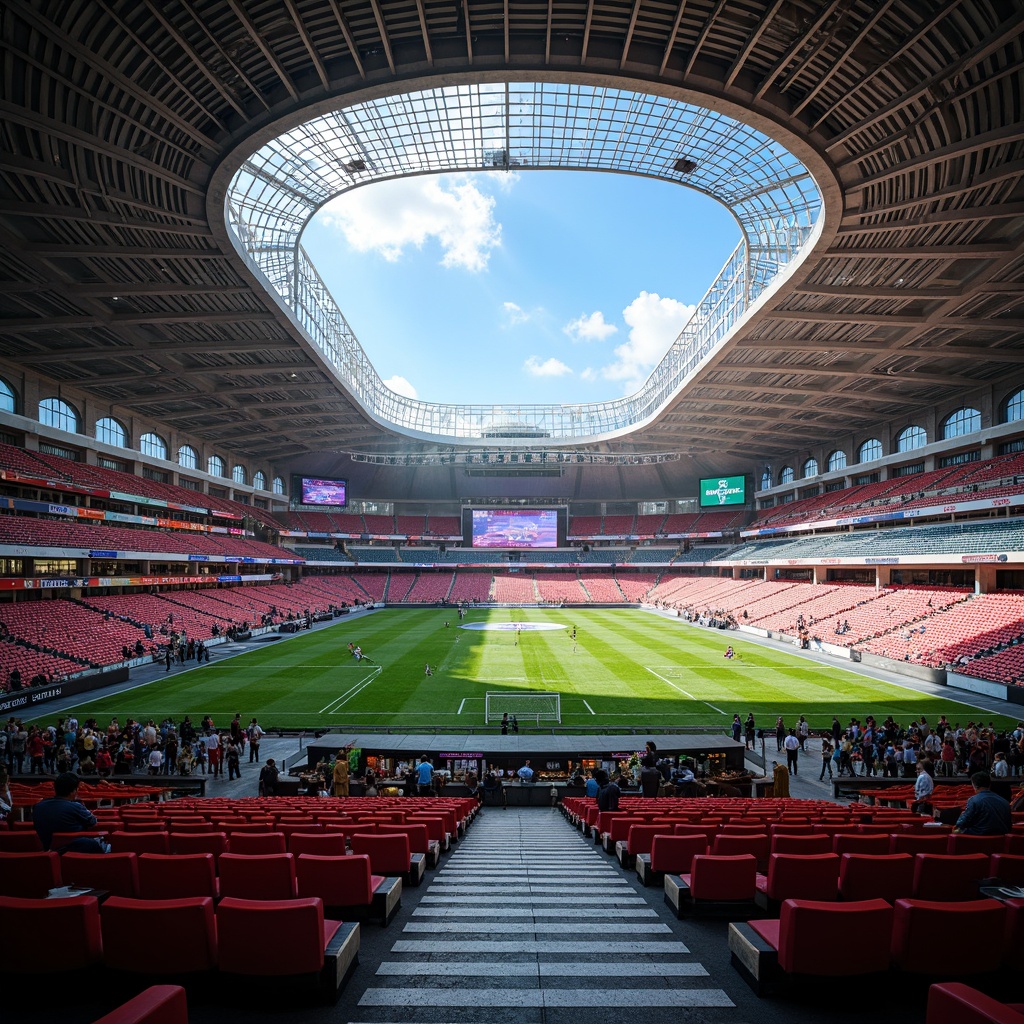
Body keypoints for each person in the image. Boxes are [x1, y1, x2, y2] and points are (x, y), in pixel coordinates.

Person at [32, 773, 109, 853]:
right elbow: (93, 822)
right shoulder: (76, 806)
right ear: (73, 791)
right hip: (76, 849)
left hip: (48, 849)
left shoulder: (38, 806)